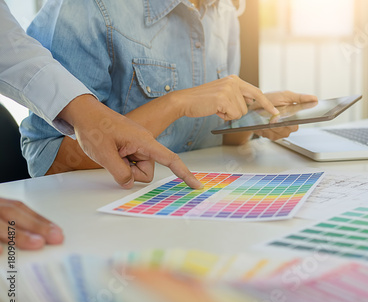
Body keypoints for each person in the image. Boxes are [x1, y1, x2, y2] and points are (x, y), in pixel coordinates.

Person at [20, 0, 317, 177]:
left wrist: (254, 116)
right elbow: (48, 161)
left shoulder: (224, 10)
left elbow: (214, 143)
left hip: (196, 200)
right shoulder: (89, 8)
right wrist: (175, 104)